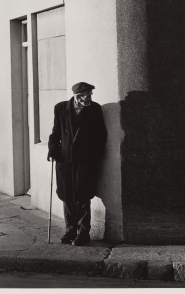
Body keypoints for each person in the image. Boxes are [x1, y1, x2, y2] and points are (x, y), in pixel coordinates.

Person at [48, 82, 107, 246]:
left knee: (82, 196)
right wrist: (53, 151)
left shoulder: (94, 109)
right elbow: (56, 133)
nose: (89, 98)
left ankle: (83, 233)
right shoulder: (61, 108)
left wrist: (95, 155)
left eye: (90, 95)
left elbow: (101, 134)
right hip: (65, 160)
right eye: (86, 96)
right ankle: (70, 231)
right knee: (67, 196)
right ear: (77, 96)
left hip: (85, 161)